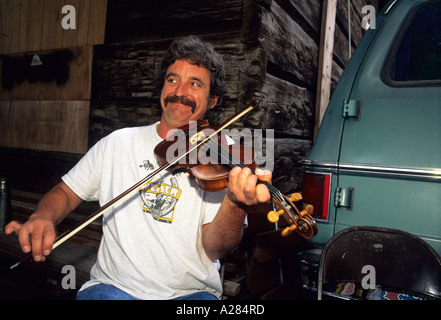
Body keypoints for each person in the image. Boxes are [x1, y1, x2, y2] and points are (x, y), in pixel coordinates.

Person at [5, 35, 271, 300]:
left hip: (190, 294)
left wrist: (236, 204)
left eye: (195, 83)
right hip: (114, 288)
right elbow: (65, 193)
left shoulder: (223, 155)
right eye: (172, 79)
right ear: (161, 89)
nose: (180, 92)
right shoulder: (117, 142)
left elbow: (215, 248)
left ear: (212, 100)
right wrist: (43, 216)